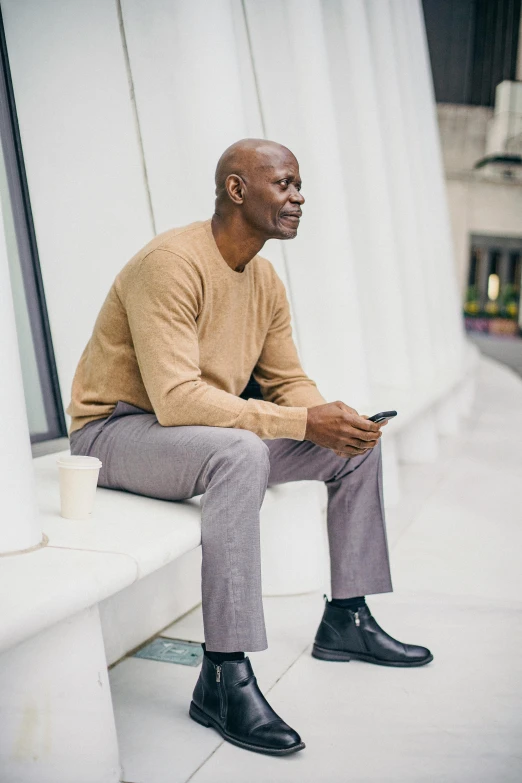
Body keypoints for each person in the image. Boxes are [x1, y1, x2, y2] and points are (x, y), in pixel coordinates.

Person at [67, 138, 432, 758]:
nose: (299, 196)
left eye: (298, 185)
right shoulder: (171, 264)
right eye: (286, 184)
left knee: (355, 447)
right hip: (117, 432)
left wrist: (332, 421)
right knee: (242, 454)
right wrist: (299, 421)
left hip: (197, 435)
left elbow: (289, 383)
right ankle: (222, 675)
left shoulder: (264, 279)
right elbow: (178, 398)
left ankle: (347, 619)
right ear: (237, 190)